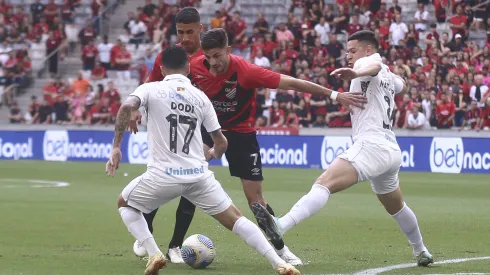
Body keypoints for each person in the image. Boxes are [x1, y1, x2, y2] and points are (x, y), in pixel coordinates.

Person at [106, 45, 301, 275]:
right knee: (237, 221)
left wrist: (117, 146)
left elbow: (127, 106)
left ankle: (153, 252)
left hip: (163, 175)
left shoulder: (149, 88)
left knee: (124, 203)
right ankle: (279, 263)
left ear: (161, 68)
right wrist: (215, 153)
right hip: (198, 175)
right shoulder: (201, 97)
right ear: (188, 68)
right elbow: (221, 142)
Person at [253, 30, 434, 267]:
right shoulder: (388, 73)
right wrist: (390, 79)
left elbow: (372, 66)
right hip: (390, 149)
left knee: (323, 183)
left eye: (353, 50)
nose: (348, 56)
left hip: (371, 144)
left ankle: (281, 225)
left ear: (367, 49)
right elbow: (403, 85)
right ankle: (421, 250)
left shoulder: (368, 63)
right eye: (347, 52)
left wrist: (357, 71)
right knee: (396, 206)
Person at [131, 7, 204, 264]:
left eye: (189, 32)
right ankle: (145, 235)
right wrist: (136, 109)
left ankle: (175, 246)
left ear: (200, 29)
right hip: (168, 129)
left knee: (192, 185)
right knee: (160, 182)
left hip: (197, 130)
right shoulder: (169, 57)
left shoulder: (210, 57)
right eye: (180, 32)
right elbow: (150, 87)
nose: (184, 38)